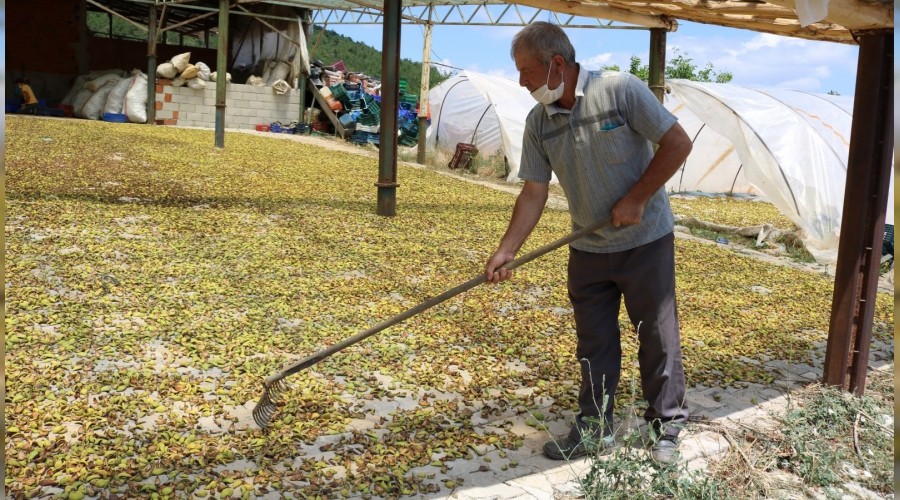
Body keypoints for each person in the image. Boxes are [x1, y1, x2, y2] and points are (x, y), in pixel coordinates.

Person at [484, 22, 693, 464]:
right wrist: (508, 250)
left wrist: (637, 197)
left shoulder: (620, 91)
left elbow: (677, 143)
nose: (521, 82)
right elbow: (534, 192)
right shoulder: (539, 122)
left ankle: (666, 426)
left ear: (557, 63)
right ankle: (594, 427)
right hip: (589, 248)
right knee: (594, 343)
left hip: (645, 240)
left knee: (656, 335)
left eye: (526, 71)